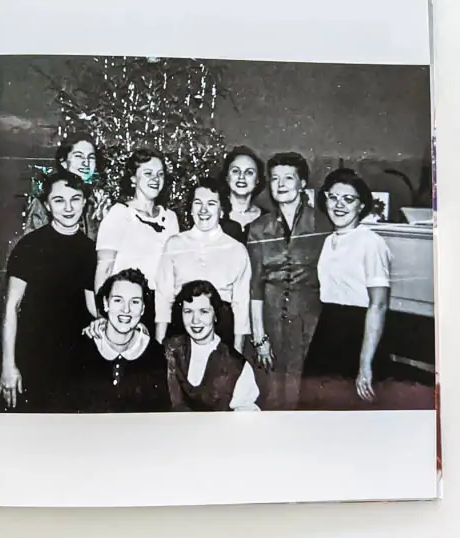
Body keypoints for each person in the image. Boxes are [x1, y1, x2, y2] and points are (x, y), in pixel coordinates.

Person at [0, 170, 97, 413]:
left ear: (84, 203)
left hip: (72, 356)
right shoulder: (30, 245)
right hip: (30, 352)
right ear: (47, 204)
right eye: (59, 200)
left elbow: (91, 307)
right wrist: (9, 365)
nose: (68, 207)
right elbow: (12, 306)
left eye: (75, 199)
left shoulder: (89, 250)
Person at [299, 168, 393, 410]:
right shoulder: (328, 241)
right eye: (333, 197)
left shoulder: (371, 242)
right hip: (328, 330)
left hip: (359, 334)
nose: (339, 205)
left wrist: (364, 364)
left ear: (361, 206)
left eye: (348, 199)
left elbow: (379, 305)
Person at [246, 153, 333, 410]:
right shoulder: (258, 228)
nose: (281, 184)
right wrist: (259, 337)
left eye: (288, 178)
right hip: (270, 322)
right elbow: (255, 286)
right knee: (271, 395)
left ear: (302, 182)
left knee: (304, 395)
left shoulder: (323, 223)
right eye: (274, 179)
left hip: (310, 323)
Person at [154, 177, 251, 354]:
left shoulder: (236, 249)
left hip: (221, 329)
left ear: (222, 210)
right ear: (190, 208)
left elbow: (241, 304)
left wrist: (236, 352)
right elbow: (163, 297)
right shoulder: (174, 243)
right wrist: (159, 345)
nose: (204, 210)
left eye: (212, 203)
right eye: (198, 203)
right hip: (182, 327)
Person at [95, 147, 180, 333]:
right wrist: (102, 316)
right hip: (127, 307)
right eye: (148, 173)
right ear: (133, 178)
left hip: (161, 310)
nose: (155, 179)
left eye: (160, 174)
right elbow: (104, 268)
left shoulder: (171, 218)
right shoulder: (119, 214)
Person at [70, 268, 169, 413]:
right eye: (118, 300)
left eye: (135, 302)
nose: (126, 310)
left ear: (142, 309)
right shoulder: (81, 349)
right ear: (105, 303)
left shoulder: (155, 354)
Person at [164, 280, 260, 411]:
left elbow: (245, 419)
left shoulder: (237, 366)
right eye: (188, 311)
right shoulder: (169, 349)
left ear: (215, 315)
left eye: (203, 311)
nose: (195, 320)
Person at [23, 132, 108, 240]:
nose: (86, 163)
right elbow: (31, 245)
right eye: (78, 156)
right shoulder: (45, 200)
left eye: (91, 158)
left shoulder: (96, 201)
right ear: (63, 162)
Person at [217, 146, 269, 243]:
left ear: (257, 180)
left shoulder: (268, 219)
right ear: (227, 177)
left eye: (249, 172)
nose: (242, 177)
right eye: (236, 171)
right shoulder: (213, 214)